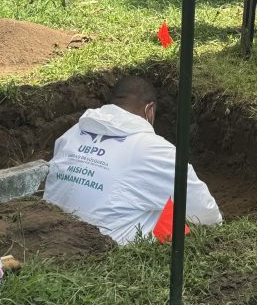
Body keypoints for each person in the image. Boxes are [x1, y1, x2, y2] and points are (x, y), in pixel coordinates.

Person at [43, 76, 222, 245]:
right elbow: (206, 215)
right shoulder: (153, 149)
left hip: (52, 235)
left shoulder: (72, 133)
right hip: (103, 247)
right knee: (171, 218)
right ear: (149, 110)